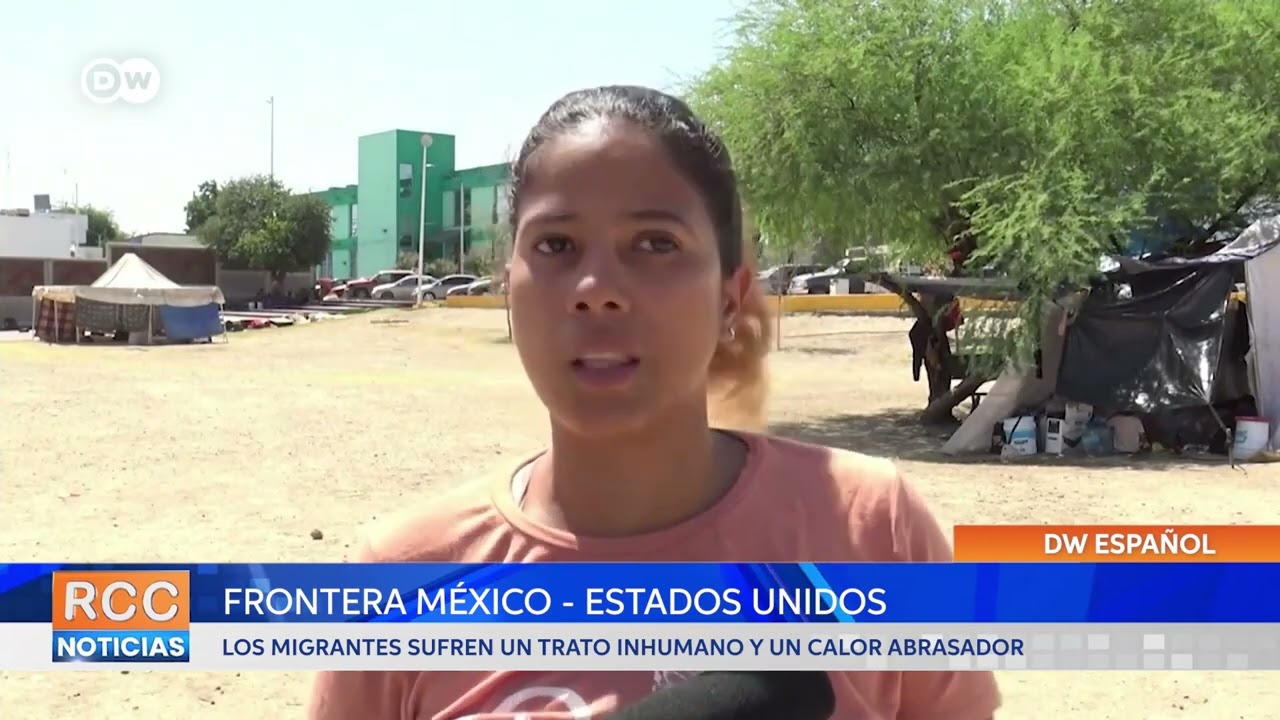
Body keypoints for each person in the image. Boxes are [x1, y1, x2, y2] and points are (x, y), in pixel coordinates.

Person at [308, 85, 1001, 720]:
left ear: (729, 297)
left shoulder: (871, 531)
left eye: (655, 243)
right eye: (555, 244)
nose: (596, 286)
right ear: (509, 289)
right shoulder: (400, 580)